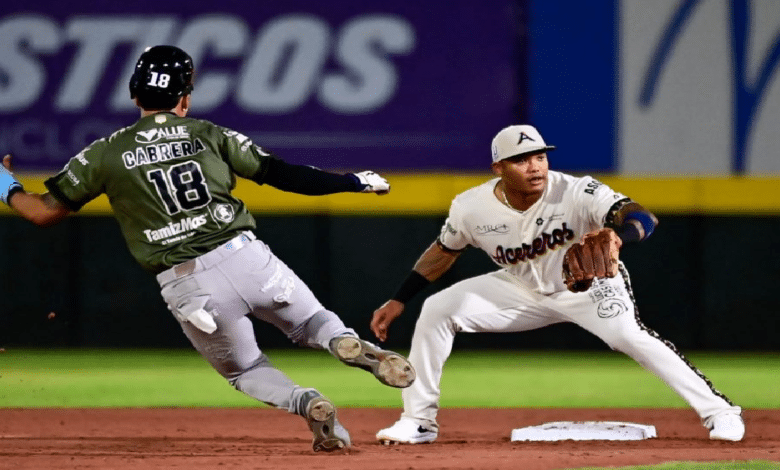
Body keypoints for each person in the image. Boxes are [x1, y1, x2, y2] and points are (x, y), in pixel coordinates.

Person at [0, 45, 416, 453]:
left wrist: (5, 184)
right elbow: (284, 175)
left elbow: (41, 212)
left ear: (134, 94)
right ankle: (342, 342)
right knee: (313, 322)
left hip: (189, 285)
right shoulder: (207, 134)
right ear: (184, 98)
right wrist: (353, 181)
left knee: (245, 369)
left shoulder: (105, 152)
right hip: (245, 256)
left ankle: (306, 402)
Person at [370, 124, 745, 444]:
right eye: (521, 160)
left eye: (540, 156)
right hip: (520, 287)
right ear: (499, 168)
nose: (535, 167)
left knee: (628, 336)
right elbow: (443, 252)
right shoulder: (471, 206)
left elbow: (642, 217)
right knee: (437, 309)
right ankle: (418, 421)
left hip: (590, 286)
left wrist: (619, 236)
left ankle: (720, 412)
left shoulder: (577, 191)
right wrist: (400, 298)